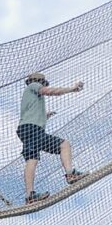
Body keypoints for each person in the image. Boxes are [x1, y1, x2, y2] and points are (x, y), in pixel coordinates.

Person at [16, 71, 87, 204]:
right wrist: (71, 88)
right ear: (38, 82)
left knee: (32, 159)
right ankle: (70, 173)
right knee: (63, 144)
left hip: (28, 129)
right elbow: (50, 91)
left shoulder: (32, 98)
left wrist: (45, 116)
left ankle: (30, 195)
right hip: (32, 129)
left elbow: (31, 113)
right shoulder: (33, 86)